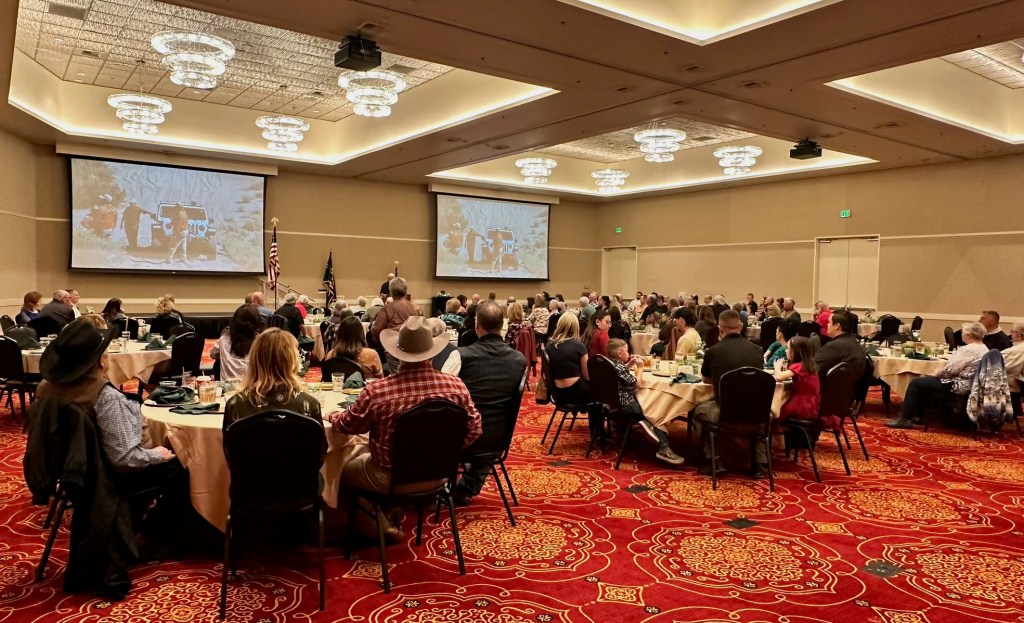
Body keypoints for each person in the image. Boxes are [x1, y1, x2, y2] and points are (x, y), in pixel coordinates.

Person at [26, 318, 186, 597]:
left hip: (72, 476)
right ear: (100, 361)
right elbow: (124, 459)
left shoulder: (45, 389)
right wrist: (156, 455)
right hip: (106, 480)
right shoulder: (104, 396)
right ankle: (153, 537)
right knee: (183, 465)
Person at [327, 316, 482, 539]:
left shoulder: (379, 391)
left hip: (389, 477)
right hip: (440, 475)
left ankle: (379, 525)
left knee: (339, 469)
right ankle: (393, 509)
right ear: (432, 351)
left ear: (397, 353)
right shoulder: (456, 386)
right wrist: (446, 453)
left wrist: (331, 415)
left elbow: (348, 425)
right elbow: (475, 427)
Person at [439, 300, 528, 504]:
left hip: (461, 438)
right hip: (498, 439)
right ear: (502, 326)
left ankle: (429, 487)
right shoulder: (519, 360)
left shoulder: (461, 355)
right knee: (489, 421)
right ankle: (466, 488)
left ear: (477, 326)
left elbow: (440, 395)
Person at [693, 310, 766, 477]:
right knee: (758, 411)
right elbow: (758, 377)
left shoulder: (713, 351)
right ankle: (759, 464)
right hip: (757, 413)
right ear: (740, 327)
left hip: (725, 413)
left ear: (720, 329)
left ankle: (714, 460)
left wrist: (724, 377)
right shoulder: (757, 350)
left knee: (698, 412)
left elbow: (706, 379)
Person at [885, 322, 990, 429]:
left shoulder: (968, 349)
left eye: (963, 332)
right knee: (925, 382)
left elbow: (949, 371)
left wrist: (935, 375)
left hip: (960, 385)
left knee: (916, 382)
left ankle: (904, 419)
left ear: (968, 335)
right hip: (974, 385)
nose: (961, 334)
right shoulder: (984, 348)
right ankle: (917, 416)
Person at [224, 328, 322, 429]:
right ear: (291, 362)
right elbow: (320, 444)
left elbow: (227, 444)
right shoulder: (310, 405)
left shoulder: (235, 405)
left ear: (255, 361)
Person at [608, 339, 685, 466]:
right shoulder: (619, 368)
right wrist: (640, 367)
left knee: (649, 408)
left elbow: (620, 374)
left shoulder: (611, 364)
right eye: (627, 351)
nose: (629, 353)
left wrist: (630, 364)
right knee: (653, 411)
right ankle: (663, 447)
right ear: (620, 353)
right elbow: (638, 383)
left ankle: (648, 426)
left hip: (614, 405)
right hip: (627, 406)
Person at [372, 278, 422, 374]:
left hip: (393, 349)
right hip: (414, 350)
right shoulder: (416, 308)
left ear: (391, 292)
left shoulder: (387, 309)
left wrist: (383, 343)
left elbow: (376, 330)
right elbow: (423, 328)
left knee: (398, 377)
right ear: (406, 291)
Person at [773, 336, 822, 424]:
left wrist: (777, 367)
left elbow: (779, 377)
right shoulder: (809, 364)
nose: (785, 351)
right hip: (812, 403)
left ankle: (777, 433)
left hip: (802, 404)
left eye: (788, 348)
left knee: (776, 413)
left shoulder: (799, 365)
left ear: (796, 352)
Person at [545, 313, 591, 406]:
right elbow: (587, 376)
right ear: (576, 327)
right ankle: (596, 420)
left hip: (557, 394)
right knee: (603, 395)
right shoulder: (579, 346)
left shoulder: (549, 345)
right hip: (576, 392)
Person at [211, 304, 263, 380]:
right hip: (253, 388)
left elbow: (213, 355)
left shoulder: (223, 339)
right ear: (257, 321)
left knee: (217, 363)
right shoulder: (261, 341)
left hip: (227, 389)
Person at [813, 312, 866, 382]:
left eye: (829, 322)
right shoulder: (855, 343)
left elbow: (811, 367)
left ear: (837, 325)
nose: (827, 325)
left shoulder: (835, 346)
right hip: (848, 389)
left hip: (828, 389)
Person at [1002, 323, 1024, 418]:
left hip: (1007, 384)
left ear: (1018, 335)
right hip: (1017, 384)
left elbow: (996, 369)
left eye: (1012, 331)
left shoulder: (1013, 351)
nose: (1010, 334)